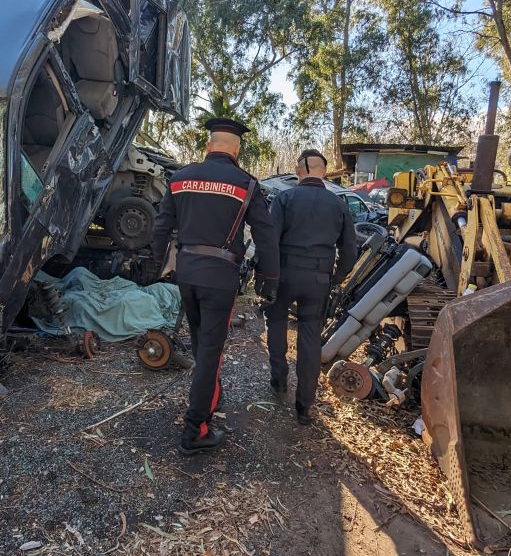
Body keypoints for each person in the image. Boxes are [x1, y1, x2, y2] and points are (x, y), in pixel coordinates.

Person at [152, 117, 279, 456]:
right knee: (210, 351)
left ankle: (208, 391)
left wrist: (152, 267)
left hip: (188, 275)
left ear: (208, 146)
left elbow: (161, 225)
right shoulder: (246, 184)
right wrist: (270, 278)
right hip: (220, 279)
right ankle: (196, 430)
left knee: (201, 343)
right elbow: (265, 234)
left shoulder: (179, 179)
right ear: (237, 150)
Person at [265, 149, 358, 425]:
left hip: (284, 274)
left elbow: (269, 239)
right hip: (318, 278)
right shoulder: (338, 204)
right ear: (324, 171)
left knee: (277, 321)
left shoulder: (285, 198)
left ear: (300, 169)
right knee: (309, 338)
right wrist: (336, 276)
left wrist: (267, 274)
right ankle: (304, 405)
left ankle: (279, 379)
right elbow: (350, 249)